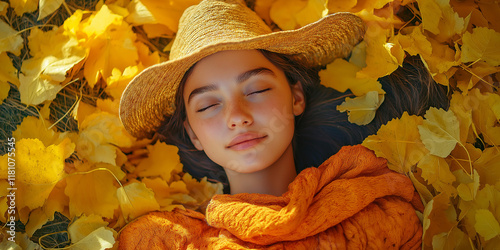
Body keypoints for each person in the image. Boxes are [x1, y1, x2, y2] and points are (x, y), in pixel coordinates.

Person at [118, 0, 448, 248]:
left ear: (296, 98)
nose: (237, 116)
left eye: (258, 89)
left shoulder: (377, 212)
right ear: (193, 134)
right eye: (208, 105)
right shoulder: (166, 240)